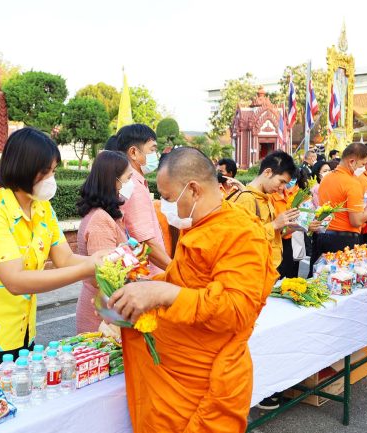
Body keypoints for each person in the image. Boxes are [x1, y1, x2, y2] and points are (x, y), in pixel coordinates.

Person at [109, 147, 278, 432]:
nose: (164, 207)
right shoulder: (199, 225)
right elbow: (182, 282)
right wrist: (138, 290)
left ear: (194, 190)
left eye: (166, 198)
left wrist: (162, 294)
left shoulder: (240, 232)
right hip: (171, 371)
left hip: (204, 379)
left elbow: (236, 309)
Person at [0, 128, 103, 381]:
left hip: (23, 334)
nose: (52, 179)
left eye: (54, 171)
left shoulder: (42, 208)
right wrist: (88, 269)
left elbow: (65, 259)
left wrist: (106, 261)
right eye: (47, 172)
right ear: (24, 167)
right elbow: (16, 281)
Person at [75, 151, 132, 333]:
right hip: (102, 316)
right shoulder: (101, 220)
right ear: (114, 181)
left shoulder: (108, 216)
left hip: (108, 310)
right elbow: (104, 278)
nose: (131, 184)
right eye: (128, 178)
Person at [310, 143, 367, 272]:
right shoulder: (352, 183)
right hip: (343, 240)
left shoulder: (327, 178)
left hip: (323, 236)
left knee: (320, 279)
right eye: (362, 164)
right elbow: (356, 221)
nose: (364, 168)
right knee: (340, 282)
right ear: (352, 162)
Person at [109, 124, 170, 273]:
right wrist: (174, 270)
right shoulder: (134, 187)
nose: (155, 155)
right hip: (147, 276)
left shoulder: (132, 183)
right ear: (134, 152)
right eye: (152, 149)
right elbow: (146, 242)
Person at [231, 151, 300, 270]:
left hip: (268, 267)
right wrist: (275, 224)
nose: (282, 188)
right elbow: (242, 240)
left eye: (286, 184)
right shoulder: (247, 199)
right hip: (254, 270)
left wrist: (293, 225)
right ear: (267, 172)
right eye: (281, 181)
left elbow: (274, 235)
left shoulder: (266, 197)